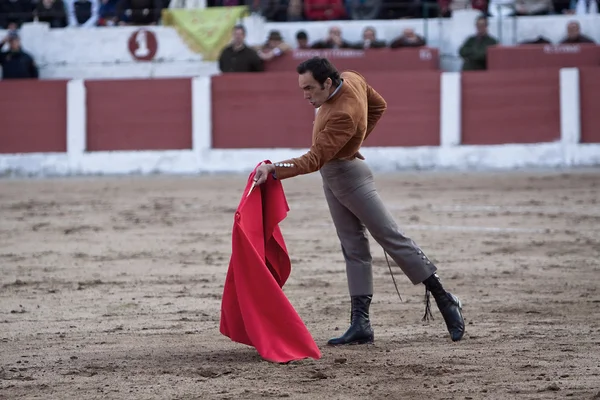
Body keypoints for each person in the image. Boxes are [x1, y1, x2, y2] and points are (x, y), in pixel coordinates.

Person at [252, 57, 465, 345]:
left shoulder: (344, 114)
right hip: (334, 175)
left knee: (391, 237)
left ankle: (444, 298)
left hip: (348, 176)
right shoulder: (352, 77)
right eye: (302, 88)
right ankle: (360, 324)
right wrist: (354, 142)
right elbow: (379, 106)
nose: (305, 96)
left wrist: (274, 169)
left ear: (327, 83)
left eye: (310, 89)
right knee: (353, 247)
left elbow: (314, 159)